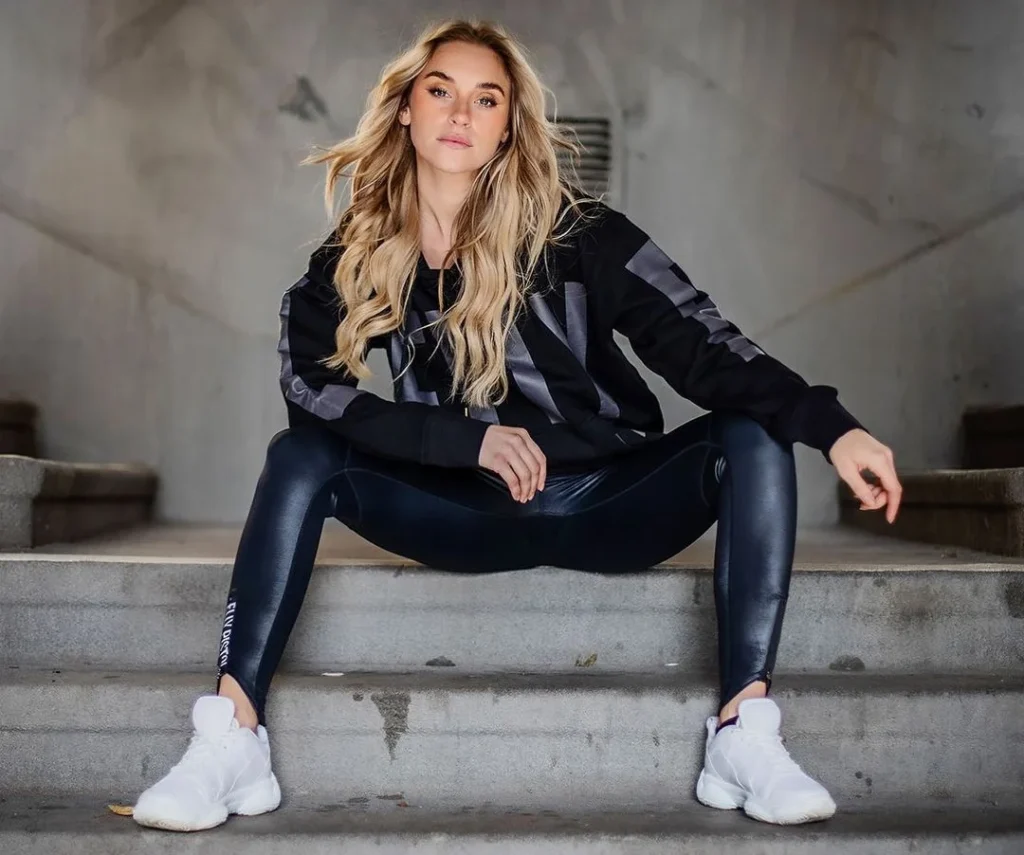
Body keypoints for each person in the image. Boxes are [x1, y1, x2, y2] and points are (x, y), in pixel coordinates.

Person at [131, 18, 902, 833]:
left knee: (748, 437)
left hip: (608, 504)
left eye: (485, 98)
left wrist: (834, 427)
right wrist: (469, 441)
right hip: (459, 511)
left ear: (506, 127)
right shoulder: (353, 258)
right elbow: (309, 390)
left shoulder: (583, 236)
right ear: (405, 110)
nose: (460, 111)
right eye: (441, 91)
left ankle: (742, 732)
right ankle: (232, 737)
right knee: (299, 455)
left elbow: (707, 346)